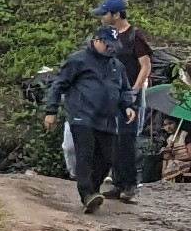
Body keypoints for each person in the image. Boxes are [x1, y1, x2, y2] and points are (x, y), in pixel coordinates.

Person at [44, 18, 136, 213]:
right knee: (85, 155)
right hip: (83, 116)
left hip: (108, 118)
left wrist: (128, 106)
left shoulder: (116, 66)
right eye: (107, 45)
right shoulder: (78, 60)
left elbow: (125, 89)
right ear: (97, 40)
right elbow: (58, 85)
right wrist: (51, 111)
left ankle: (93, 192)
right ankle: (86, 193)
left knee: (106, 159)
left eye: (114, 46)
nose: (111, 49)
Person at [92, 0, 155, 204]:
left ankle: (129, 183)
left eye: (105, 13)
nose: (102, 17)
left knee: (127, 138)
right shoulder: (107, 36)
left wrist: (134, 90)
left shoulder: (134, 37)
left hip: (129, 94)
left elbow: (145, 66)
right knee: (113, 139)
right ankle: (118, 182)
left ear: (116, 14)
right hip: (112, 95)